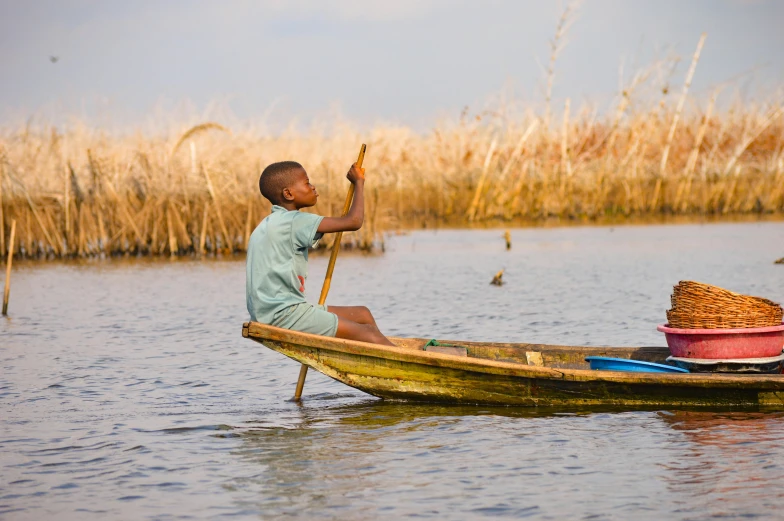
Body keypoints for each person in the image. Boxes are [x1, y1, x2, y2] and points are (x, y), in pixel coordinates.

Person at [246, 160, 395, 346]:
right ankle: (406, 368)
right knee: (368, 334)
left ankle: (373, 362)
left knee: (362, 315)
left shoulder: (268, 223)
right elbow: (354, 221)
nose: (313, 187)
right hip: (284, 314)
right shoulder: (293, 221)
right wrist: (358, 183)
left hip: (270, 312)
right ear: (288, 193)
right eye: (307, 183)